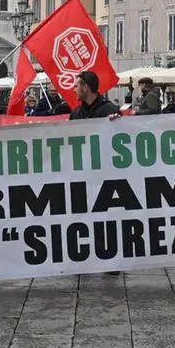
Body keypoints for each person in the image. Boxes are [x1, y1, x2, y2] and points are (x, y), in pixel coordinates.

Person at [69, 71, 121, 274]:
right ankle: (82, 257)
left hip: (105, 174)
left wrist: (118, 122)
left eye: (76, 86)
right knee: (81, 217)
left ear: (85, 88)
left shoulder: (110, 110)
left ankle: (110, 260)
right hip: (83, 174)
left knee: (107, 218)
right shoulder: (76, 113)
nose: (74, 90)